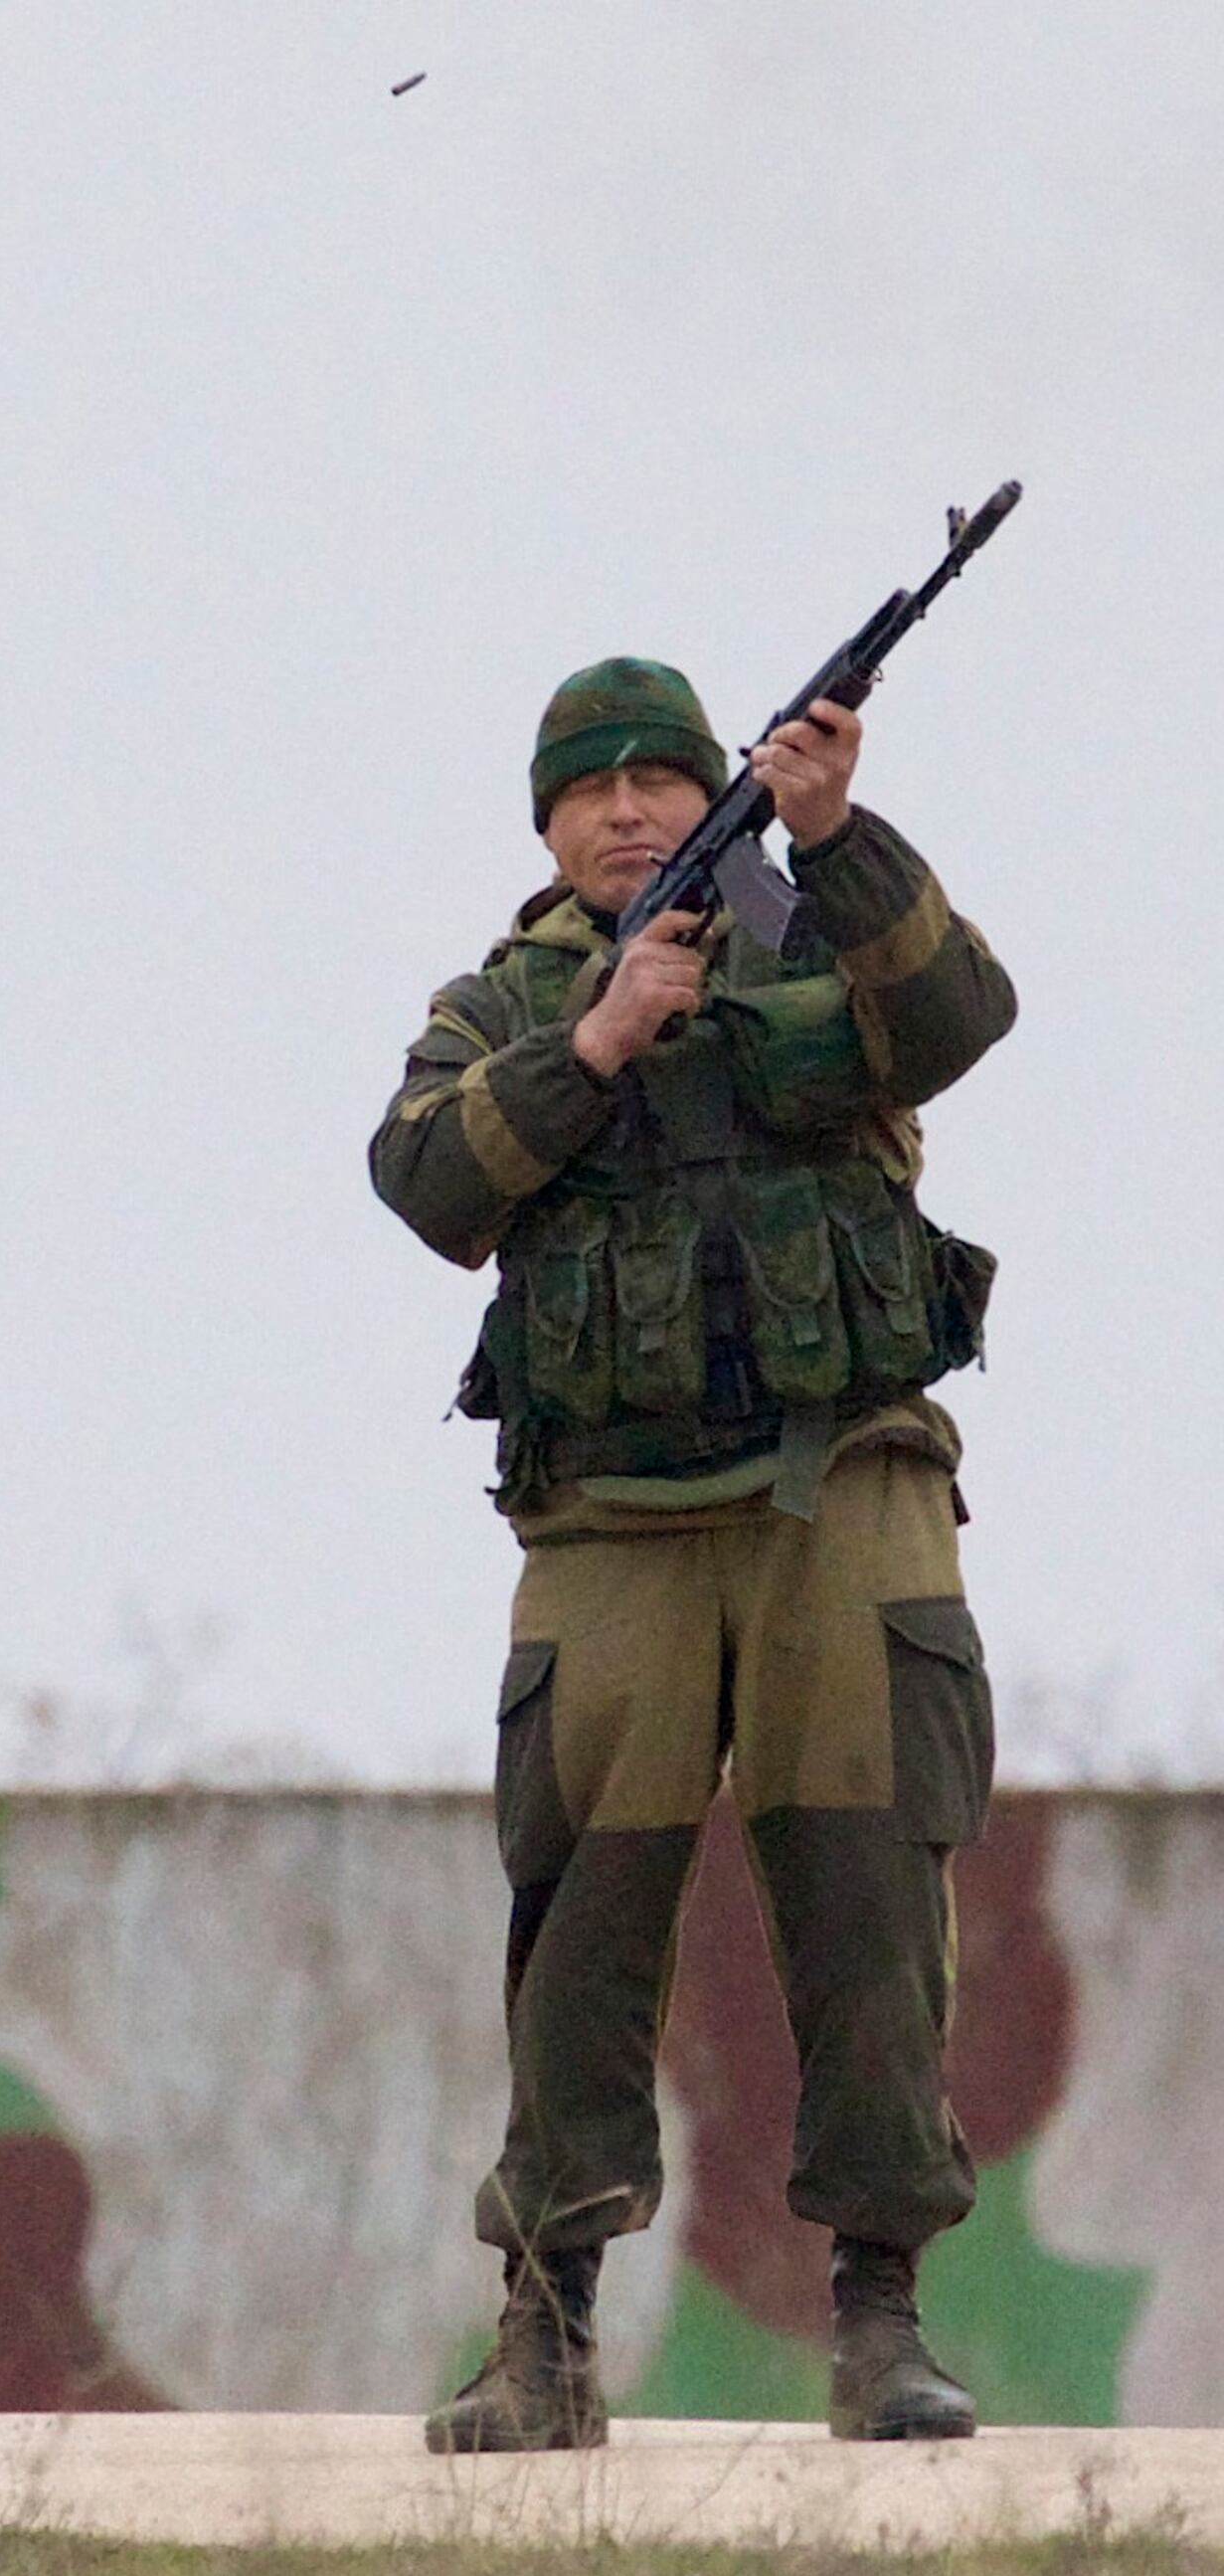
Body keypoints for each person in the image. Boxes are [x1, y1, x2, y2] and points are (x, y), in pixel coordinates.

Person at [372, 660, 1016, 2454]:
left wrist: (837, 834)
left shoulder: (815, 941)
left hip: (842, 1486)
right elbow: (423, 1182)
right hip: (611, 1524)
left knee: (872, 1904)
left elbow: (958, 1015)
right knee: (582, 1921)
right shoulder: (505, 1002)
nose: (629, 809)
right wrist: (593, 1044)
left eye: (660, 777)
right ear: (547, 825)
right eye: (590, 789)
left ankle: (881, 2318)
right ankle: (548, 2333)